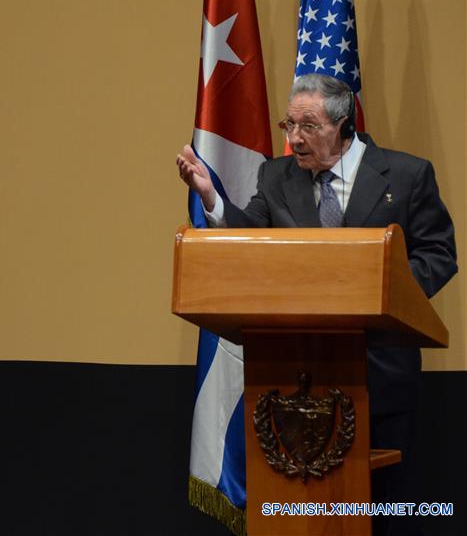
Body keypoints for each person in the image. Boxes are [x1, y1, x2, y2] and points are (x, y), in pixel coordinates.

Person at [177, 73, 457, 535]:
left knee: (384, 515)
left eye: (308, 126)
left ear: (343, 126)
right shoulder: (275, 175)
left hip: (379, 376)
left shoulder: (407, 175)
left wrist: (391, 294)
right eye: (289, 125)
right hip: (290, 384)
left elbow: (438, 254)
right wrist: (212, 198)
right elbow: (254, 241)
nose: (295, 138)